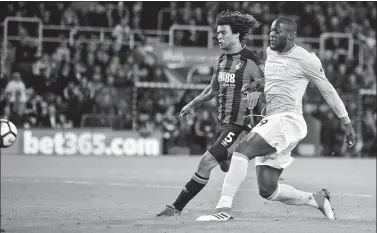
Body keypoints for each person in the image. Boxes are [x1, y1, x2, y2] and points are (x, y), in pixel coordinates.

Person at [196, 16, 356, 221]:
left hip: (288, 119)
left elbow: (328, 91)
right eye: (271, 30)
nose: (272, 34)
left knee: (241, 151)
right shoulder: (270, 53)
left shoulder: (307, 59)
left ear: (291, 35)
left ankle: (223, 209)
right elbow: (274, 78)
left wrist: (347, 122)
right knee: (268, 189)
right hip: (273, 119)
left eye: (277, 31)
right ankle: (316, 200)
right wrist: (257, 85)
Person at [156, 10, 266, 217]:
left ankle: (176, 208)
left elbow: (269, 84)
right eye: (218, 33)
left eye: (224, 33)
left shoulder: (251, 60)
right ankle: (249, 157)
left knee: (206, 162)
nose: (219, 37)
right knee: (225, 166)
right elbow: (213, 89)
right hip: (222, 123)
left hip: (240, 123)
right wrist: (191, 104)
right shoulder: (222, 59)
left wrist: (258, 91)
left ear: (236, 35)